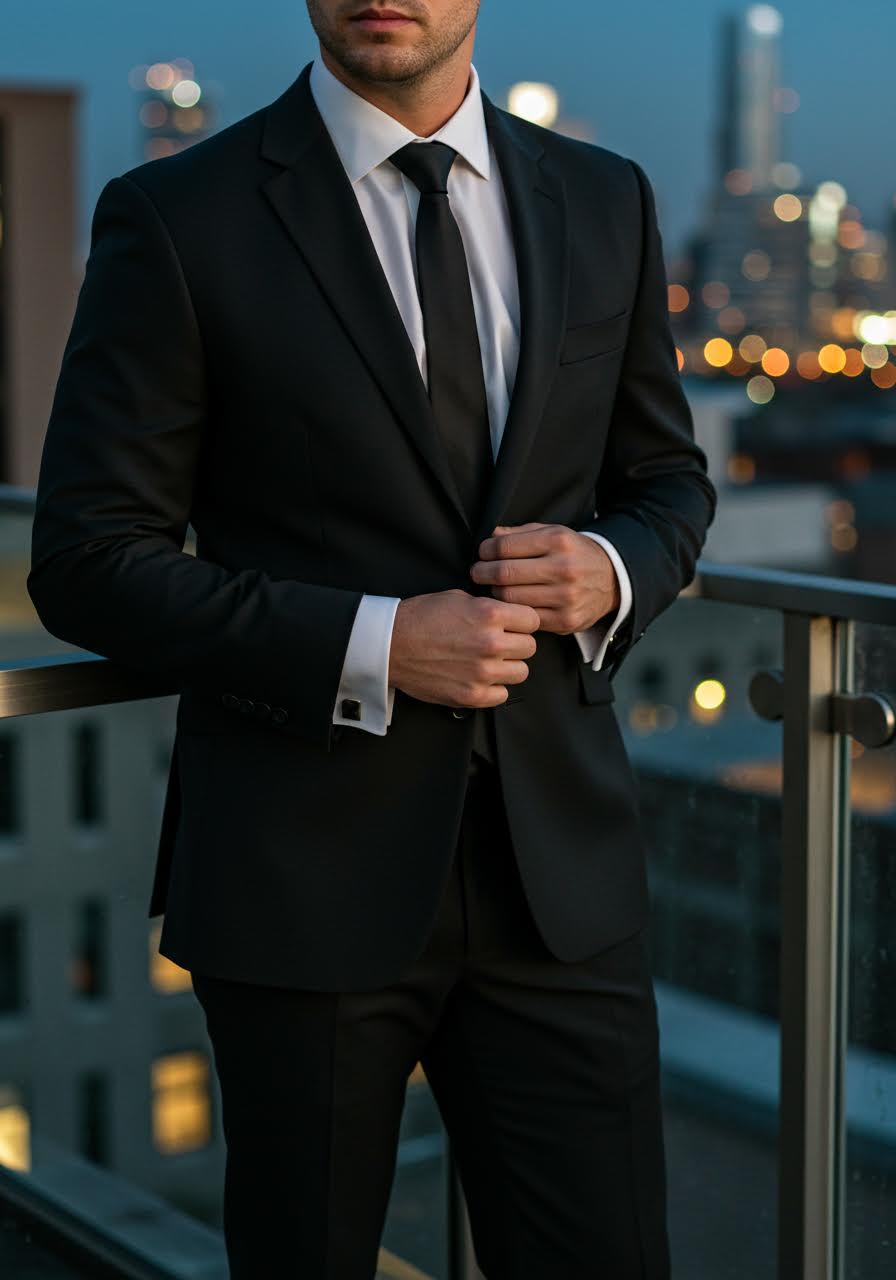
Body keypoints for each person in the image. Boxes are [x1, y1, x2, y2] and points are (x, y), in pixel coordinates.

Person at [27, 2, 716, 1275]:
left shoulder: (603, 196)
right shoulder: (180, 214)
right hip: (299, 875)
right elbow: (86, 558)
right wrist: (375, 644)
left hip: (558, 879)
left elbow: (667, 479)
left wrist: (609, 565)